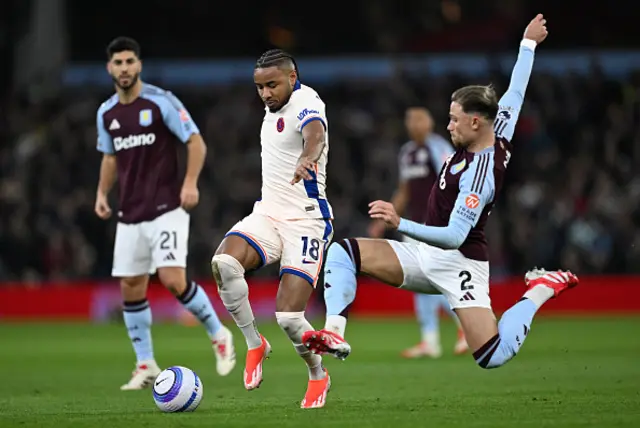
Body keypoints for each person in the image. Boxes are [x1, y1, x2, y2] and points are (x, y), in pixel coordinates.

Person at [303, 15, 580, 371]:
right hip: (424, 255)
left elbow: (454, 237)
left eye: (453, 119)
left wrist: (400, 220)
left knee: (491, 356)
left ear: (475, 122)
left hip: (460, 264)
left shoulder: (480, 175)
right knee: (343, 253)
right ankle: (334, 334)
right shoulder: (498, 127)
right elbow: (515, 92)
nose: (447, 126)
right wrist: (528, 44)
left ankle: (541, 288)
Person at [94, 37, 235, 390]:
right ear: (109, 68)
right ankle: (145, 364)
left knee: (172, 278)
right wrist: (101, 192)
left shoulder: (161, 101)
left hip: (166, 207)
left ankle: (219, 335)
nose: (124, 68)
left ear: (138, 64)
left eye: (130, 61)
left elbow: (196, 141)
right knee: (130, 284)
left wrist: (190, 183)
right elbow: (110, 157)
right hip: (130, 211)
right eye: (118, 63)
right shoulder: (106, 113)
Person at [210, 49, 332, 408]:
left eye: (272, 85)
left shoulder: (308, 101)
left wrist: (308, 156)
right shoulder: (273, 106)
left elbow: (315, 133)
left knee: (289, 318)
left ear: (293, 78)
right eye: (260, 87)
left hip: (307, 220)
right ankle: (254, 343)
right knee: (224, 264)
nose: (265, 94)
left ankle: (317, 374)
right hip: (268, 214)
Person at [368, 107, 468, 358]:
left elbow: (455, 182)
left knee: (437, 277)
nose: (414, 124)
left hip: (435, 226)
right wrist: (384, 220)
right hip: (412, 225)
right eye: (410, 119)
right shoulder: (407, 153)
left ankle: (466, 328)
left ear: (430, 123)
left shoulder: (438, 147)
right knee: (419, 280)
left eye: (419, 119)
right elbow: (405, 190)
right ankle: (431, 341)